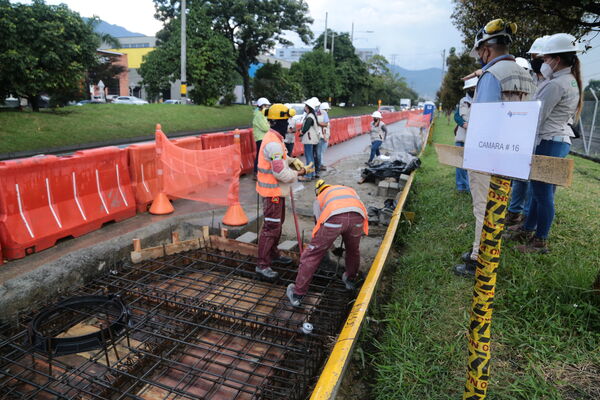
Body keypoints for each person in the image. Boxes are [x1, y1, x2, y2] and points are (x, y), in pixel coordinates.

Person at [454, 18, 535, 277]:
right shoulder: (526, 76)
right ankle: (489, 251)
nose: (480, 57)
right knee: (499, 205)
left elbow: (483, 124)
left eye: (480, 52)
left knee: (483, 208)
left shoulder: (491, 75)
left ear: (486, 49)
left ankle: (479, 259)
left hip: (487, 155)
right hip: (512, 155)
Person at [507, 33, 583, 253]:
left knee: (542, 194)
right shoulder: (565, 80)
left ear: (557, 60)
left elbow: (537, 117)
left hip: (549, 141)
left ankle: (540, 241)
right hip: (555, 141)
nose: (543, 62)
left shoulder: (557, 85)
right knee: (539, 192)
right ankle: (528, 228)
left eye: (546, 58)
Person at [286, 179, 368, 307]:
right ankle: (350, 280)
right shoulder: (345, 189)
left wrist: (330, 247)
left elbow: (320, 228)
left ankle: (298, 294)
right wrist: (335, 248)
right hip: (357, 217)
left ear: (318, 191)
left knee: (311, 255)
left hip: (335, 218)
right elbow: (355, 207)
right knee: (353, 250)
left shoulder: (319, 199)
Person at [256, 103, 308, 279]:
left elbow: (280, 161)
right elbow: (280, 173)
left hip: (277, 193)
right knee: (271, 228)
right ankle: (263, 265)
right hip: (273, 195)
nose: (289, 125)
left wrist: (292, 160)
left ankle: (273, 254)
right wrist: (299, 173)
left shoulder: (275, 138)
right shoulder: (274, 144)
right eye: (287, 121)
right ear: (279, 122)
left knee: (276, 226)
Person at [505, 39, 549, 229]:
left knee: (531, 181)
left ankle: (524, 217)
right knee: (519, 178)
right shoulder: (531, 83)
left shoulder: (541, 85)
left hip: (533, 137)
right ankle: (515, 212)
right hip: (521, 137)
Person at [454, 77, 477, 193]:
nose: (472, 90)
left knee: (471, 164)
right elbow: (456, 116)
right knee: (459, 163)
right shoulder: (462, 101)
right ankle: (461, 186)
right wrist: (463, 124)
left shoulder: (481, 101)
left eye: (474, 88)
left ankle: (470, 187)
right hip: (461, 136)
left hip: (475, 138)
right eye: (470, 88)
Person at [299, 97, 321, 181]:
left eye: (305, 106)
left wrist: (301, 132)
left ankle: (308, 176)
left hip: (309, 139)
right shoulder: (312, 116)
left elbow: (305, 128)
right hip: (312, 139)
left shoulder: (309, 117)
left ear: (308, 107)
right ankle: (312, 173)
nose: (304, 107)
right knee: (311, 157)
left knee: (308, 157)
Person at [252, 97, 271, 177]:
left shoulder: (262, 115)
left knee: (262, 156)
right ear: (262, 106)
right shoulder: (259, 115)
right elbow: (266, 128)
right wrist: (269, 125)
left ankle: (259, 172)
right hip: (260, 138)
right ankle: (256, 172)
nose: (268, 108)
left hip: (263, 138)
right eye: (267, 106)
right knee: (260, 156)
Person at [316, 102, 331, 172]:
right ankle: (320, 165)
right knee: (320, 152)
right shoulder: (324, 114)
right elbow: (324, 126)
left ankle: (320, 164)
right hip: (323, 136)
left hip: (323, 136)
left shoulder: (320, 115)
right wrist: (325, 136)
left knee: (320, 151)